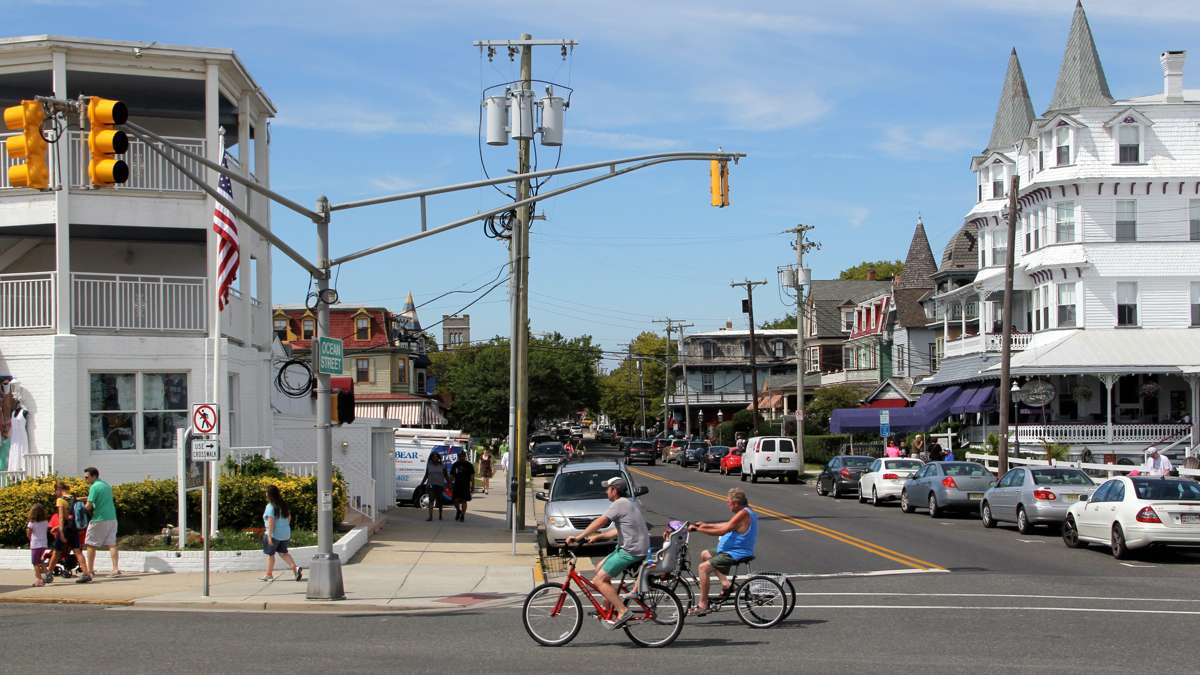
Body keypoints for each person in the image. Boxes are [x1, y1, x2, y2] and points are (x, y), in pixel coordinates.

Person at [566, 476, 649, 630]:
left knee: (598, 580)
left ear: (614, 490)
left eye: (608, 488)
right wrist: (598, 537)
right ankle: (607, 607)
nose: (606, 492)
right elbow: (617, 531)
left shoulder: (619, 504)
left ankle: (623, 611)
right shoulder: (627, 503)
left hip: (630, 551)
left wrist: (578, 537)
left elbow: (600, 521)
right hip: (631, 547)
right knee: (599, 568)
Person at [687, 488, 758, 616]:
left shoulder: (743, 514)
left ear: (736, 503)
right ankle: (726, 584)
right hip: (732, 550)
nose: (727, 504)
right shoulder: (745, 512)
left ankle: (703, 604)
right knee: (705, 554)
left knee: (703, 568)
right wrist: (704, 525)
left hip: (736, 553)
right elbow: (726, 524)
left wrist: (699, 530)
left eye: (728, 502)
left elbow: (722, 531)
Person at [46, 482, 89, 584]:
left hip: (65, 528)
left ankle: (48, 574)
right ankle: (86, 574)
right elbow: (87, 499)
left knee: (56, 552)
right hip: (74, 528)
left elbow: (61, 517)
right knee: (77, 551)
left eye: (55, 491)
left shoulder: (60, 500)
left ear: (59, 490)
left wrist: (60, 531)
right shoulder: (73, 498)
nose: (55, 493)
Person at [81, 467, 118, 580]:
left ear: (94, 476)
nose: (85, 479)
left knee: (91, 544)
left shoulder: (93, 487)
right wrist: (82, 498)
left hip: (99, 519)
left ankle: (90, 570)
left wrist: (79, 508)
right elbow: (98, 498)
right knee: (112, 543)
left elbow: (88, 506)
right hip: (112, 517)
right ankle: (115, 569)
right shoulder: (105, 485)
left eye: (87, 477)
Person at [261, 484, 302, 582]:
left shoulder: (270, 506)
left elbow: (271, 521)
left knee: (271, 555)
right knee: (283, 553)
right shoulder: (283, 505)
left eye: (266, 492)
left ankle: (269, 574)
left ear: (269, 494)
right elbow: (289, 517)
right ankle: (295, 568)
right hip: (285, 534)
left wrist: (270, 536)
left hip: (274, 534)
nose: (265, 494)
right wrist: (284, 527)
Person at [423, 451, 450, 521]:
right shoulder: (429, 465)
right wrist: (422, 483)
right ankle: (430, 516)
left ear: (438, 458)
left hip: (440, 485)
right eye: (433, 457)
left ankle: (440, 515)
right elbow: (426, 475)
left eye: (436, 457)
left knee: (440, 501)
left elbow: (446, 476)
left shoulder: (442, 466)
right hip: (431, 485)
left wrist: (449, 483)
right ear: (431, 458)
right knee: (431, 500)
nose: (435, 458)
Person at [450, 450, 476, 522]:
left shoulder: (469, 465)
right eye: (460, 456)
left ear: (465, 456)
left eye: (463, 456)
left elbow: (472, 477)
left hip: (465, 486)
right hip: (457, 485)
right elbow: (452, 476)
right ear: (458, 457)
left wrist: (472, 486)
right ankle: (458, 510)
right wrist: (449, 483)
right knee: (455, 500)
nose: (461, 457)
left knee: (464, 501)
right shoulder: (455, 465)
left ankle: (462, 515)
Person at [27, 504, 49, 587]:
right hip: (44, 544)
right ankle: (47, 573)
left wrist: (31, 540)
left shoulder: (31, 523)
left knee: (35, 563)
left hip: (35, 545)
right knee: (41, 561)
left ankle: (39, 580)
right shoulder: (45, 522)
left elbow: (28, 533)